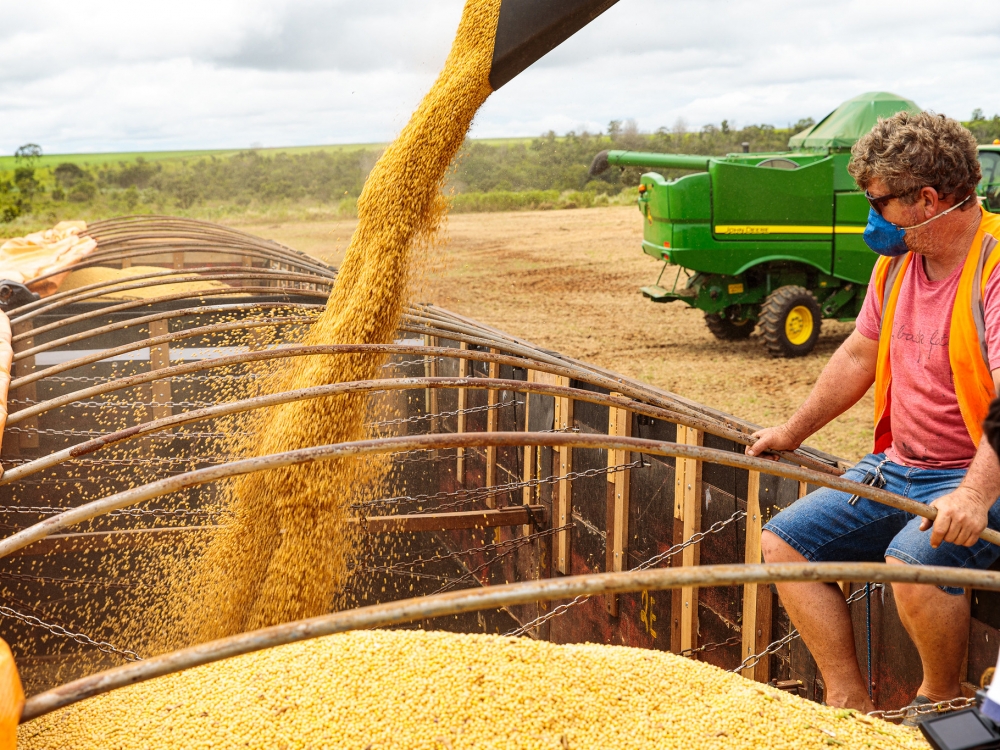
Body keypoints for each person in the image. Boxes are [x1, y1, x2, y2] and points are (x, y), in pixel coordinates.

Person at [747, 110, 1000, 716]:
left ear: (928, 199)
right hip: (901, 465)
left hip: (980, 473)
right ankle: (846, 703)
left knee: (911, 563)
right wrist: (790, 430)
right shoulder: (897, 264)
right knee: (784, 545)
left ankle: (940, 702)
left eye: (877, 202)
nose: (871, 218)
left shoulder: (994, 269)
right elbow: (860, 352)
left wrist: (970, 498)